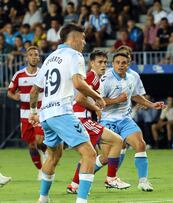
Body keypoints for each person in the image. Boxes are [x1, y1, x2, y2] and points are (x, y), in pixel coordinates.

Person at [29, 23, 105, 203]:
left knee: (54, 156)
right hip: (62, 112)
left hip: (46, 115)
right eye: (83, 37)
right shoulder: (75, 55)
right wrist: (98, 97)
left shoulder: (49, 58)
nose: (84, 42)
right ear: (73, 38)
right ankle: (81, 201)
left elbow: (34, 91)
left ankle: (43, 198)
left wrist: (33, 113)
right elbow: (78, 83)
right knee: (89, 154)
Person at [99, 50, 166, 192]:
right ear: (113, 64)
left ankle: (143, 181)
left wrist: (152, 105)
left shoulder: (132, 77)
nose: (120, 65)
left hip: (125, 119)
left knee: (141, 145)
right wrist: (117, 100)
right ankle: (79, 179)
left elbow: (135, 96)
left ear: (128, 64)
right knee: (105, 158)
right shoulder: (105, 79)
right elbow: (99, 102)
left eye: (124, 63)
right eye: (117, 63)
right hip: (107, 120)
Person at [66, 50, 130, 194]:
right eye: (99, 62)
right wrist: (97, 108)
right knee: (117, 141)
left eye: (105, 63)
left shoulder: (95, 78)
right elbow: (80, 99)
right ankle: (111, 179)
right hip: (82, 118)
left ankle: (74, 185)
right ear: (92, 63)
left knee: (90, 155)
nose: (103, 65)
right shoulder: (92, 77)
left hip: (80, 118)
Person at [7, 46, 47, 180]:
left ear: (39, 58)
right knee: (31, 145)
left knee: (40, 140)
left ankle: (46, 158)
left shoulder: (44, 73)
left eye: (36, 54)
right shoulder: (19, 75)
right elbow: (10, 92)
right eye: (31, 55)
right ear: (27, 57)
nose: (34, 57)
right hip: (25, 114)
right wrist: (15, 97)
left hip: (40, 113)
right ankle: (41, 170)